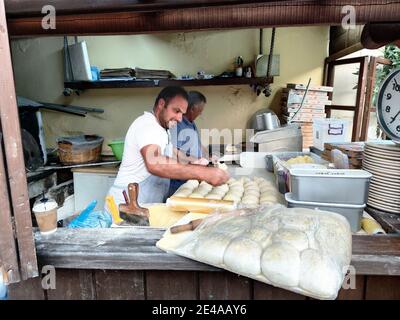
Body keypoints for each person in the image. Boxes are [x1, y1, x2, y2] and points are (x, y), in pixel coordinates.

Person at [105, 86, 229, 208]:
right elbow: (155, 163)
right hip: (126, 207)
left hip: (144, 204)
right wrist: (203, 173)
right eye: (176, 111)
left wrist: (194, 161)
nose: (180, 119)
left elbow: (171, 152)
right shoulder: (147, 126)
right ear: (161, 104)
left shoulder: (163, 128)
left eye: (182, 113)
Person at [168, 91, 210, 196]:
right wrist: (196, 160)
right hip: (180, 182)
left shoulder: (191, 123)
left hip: (193, 176)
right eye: (200, 111)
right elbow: (174, 152)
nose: (201, 114)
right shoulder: (176, 125)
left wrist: (208, 156)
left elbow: (197, 143)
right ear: (192, 109)